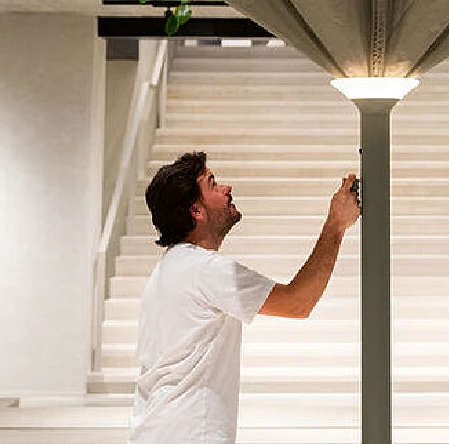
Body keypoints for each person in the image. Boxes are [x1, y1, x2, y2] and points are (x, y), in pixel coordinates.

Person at [128, 151, 361, 444]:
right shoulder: (204, 270)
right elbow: (297, 303)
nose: (227, 188)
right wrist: (335, 225)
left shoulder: (168, 269)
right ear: (196, 211)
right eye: (213, 184)